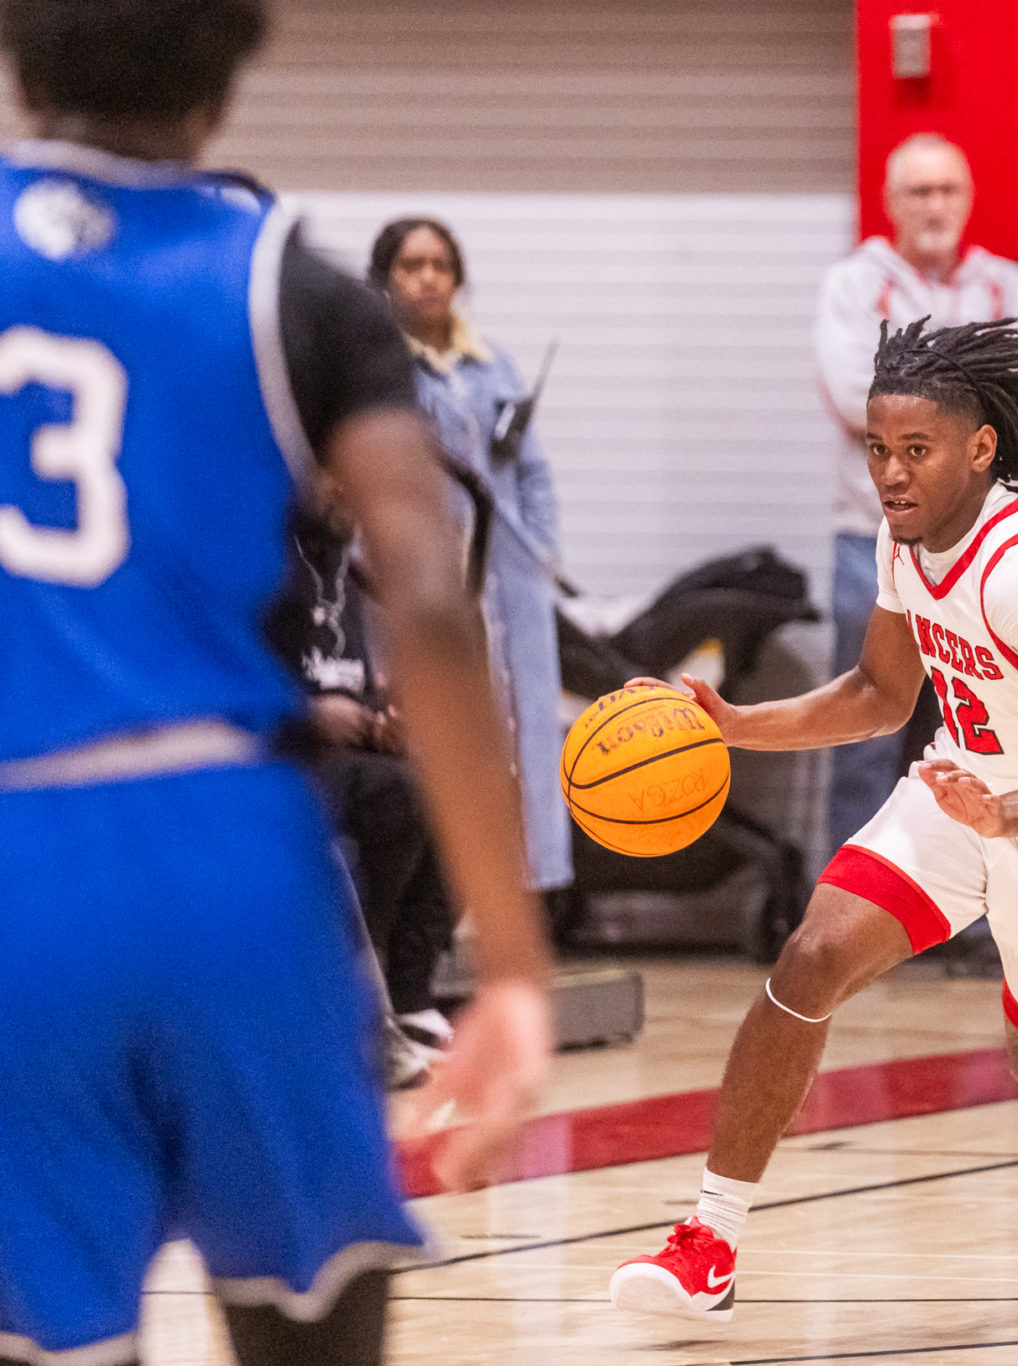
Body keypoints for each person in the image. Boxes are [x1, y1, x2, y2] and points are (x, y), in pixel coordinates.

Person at [0, 3, 553, 1363]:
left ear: (16, 58)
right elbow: (429, 597)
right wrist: (514, 964)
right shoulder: (295, 290)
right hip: (231, 861)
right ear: (229, 78)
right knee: (309, 1326)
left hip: (22, 870)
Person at [607, 319, 1018, 1324]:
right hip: (959, 790)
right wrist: (737, 726)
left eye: (915, 449)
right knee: (809, 959)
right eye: (876, 448)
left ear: (979, 447)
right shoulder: (907, 539)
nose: (891, 473)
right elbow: (877, 693)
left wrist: (1007, 814)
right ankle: (708, 1242)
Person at [815, 134, 1018, 854]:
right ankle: (854, 895)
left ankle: (977, 900)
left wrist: (913, 392)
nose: (935, 205)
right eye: (920, 191)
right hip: (873, 539)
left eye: (948, 190)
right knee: (863, 734)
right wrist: (967, 399)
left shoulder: (1004, 286)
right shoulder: (855, 284)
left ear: (968, 199)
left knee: (992, 732)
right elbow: (856, 400)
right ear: (891, 202)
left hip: (988, 551)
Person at [370, 214, 572, 898]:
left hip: (511, 582)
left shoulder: (493, 363)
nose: (428, 278)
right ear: (385, 280)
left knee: (525, 735)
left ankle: (528, 895)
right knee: (441, 735)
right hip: (427, 579)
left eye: (441, 265)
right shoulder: (377, 368)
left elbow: (533, 469)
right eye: (411, 265)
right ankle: (442, 901)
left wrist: (540, 551)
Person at [266, 496, 457, 1084]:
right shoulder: (260, 560)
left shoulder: (345, 569)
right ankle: (355, 1007)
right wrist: (309, 712)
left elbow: (349, 678)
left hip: (346, 751)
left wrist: (384, 717)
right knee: (397, 799)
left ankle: (408, 991)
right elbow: (226, 682)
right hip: (276, 753)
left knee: (456, 796)